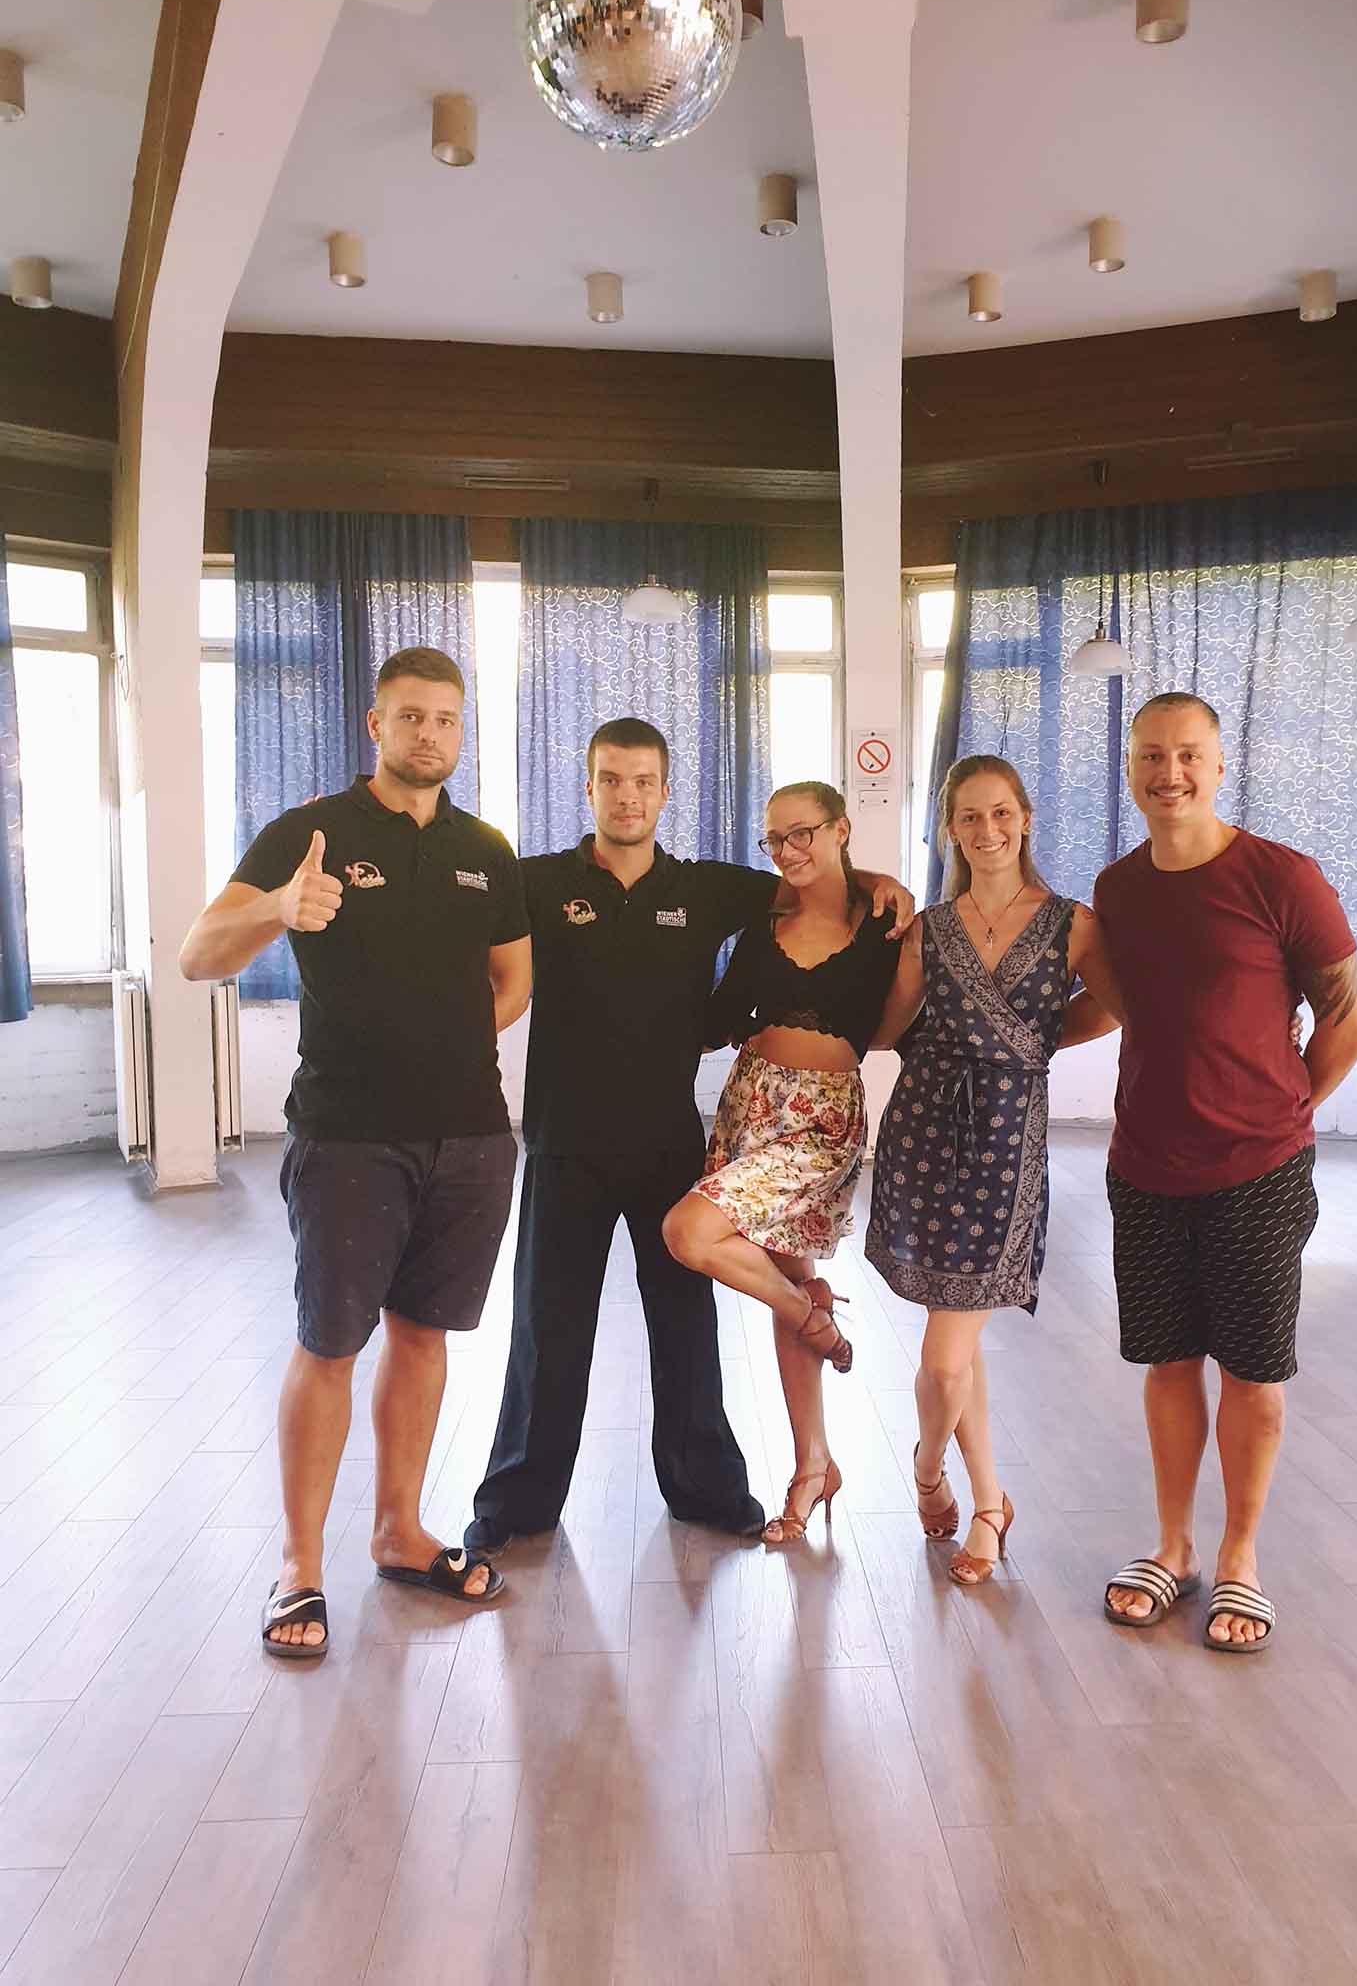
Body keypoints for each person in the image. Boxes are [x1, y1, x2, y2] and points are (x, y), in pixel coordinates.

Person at [464, 723, 913, 1558]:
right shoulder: (538, 883)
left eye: (643, 781)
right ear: (588, 789)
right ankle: (518, 1500)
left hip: (670, 1140)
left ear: (666, 792)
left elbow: (810, 881)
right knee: (547, 1330)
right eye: (611, 779)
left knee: (684, 1328)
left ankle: (707, 1491)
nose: (627, 795)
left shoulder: (708, 889)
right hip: (564, 1141)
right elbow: (459, 895)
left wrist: (880, 880)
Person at [179, 646, 532, 1659]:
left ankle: (400, 1530)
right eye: (411, 716)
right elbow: (199, 953)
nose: (430, 734)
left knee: (424, 1337)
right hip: (346, 1136)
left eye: (447, 718)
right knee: (330, 1344)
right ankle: (298, 1566)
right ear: (375, 724)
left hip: (471, 1135)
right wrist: (276, 908)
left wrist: (438, 1043)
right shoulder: (310, 832)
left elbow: (513, 980)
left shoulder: (486, 848)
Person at [1078, 691, 1357, 1651]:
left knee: (1252, 1368)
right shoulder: (1119, 888)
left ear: (1218, 763)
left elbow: (1348, 1019)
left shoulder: (1281, 876)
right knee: (1169, 1363)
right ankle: (1173, 1548)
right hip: (1144, 1167)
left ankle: (1240, 1557)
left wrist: (1283, 1113)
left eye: (1188, 755)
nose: (1169, 773)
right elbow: (1121, 1006)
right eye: (1151, 756)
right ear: (1131, 768)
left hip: (1258, 1171)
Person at [864, 755, 1123, 1583]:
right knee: (958, 1332)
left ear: (1026, 818)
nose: (987, 830)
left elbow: (1116, 1006)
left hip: (1010, 1138)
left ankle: (927, 1472)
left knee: (946, 1354)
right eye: (969, 817)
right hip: (925, 1131)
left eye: (1001, 812)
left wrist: (1028, 1042)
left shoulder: (1073, 923)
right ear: (950, 829)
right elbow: (885, 1028)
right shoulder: (929, 928)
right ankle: (987, 1502)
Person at [662, 782, 902, 1543]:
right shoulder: (764, 923)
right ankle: (813, 1465)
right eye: (775, 839)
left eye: (804, 834)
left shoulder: (887, 922)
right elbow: (719, 1018)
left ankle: (810, 1319)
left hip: (822, 1118)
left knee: (689, 1232)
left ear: (840, 830)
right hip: (750, 1103)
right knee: (789, 1278)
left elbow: (896, 1025)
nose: (789, 851)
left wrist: (876, 881)